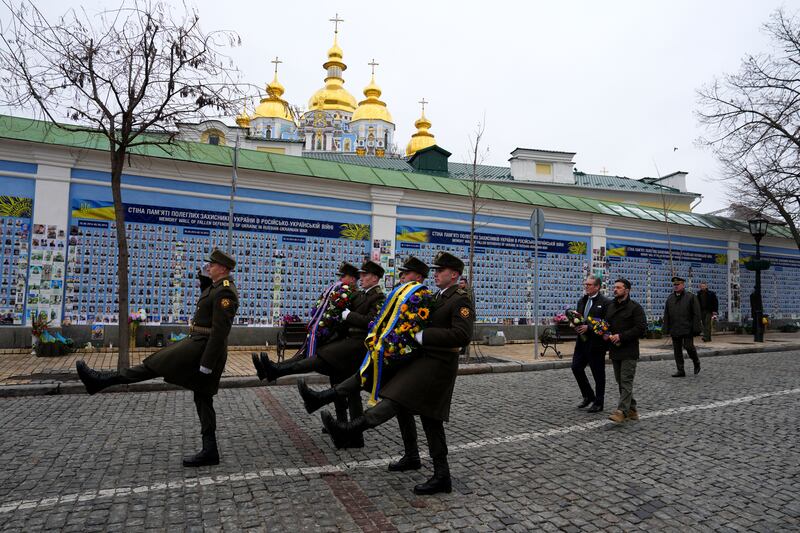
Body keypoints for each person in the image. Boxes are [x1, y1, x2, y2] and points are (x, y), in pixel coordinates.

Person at [296, 251, 473, 495]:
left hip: (439, 366)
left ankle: (349, 428)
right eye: (435, 270)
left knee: (399, 400)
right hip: (422, 360)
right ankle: (424, 464)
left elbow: (463, 336)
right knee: (420, 414)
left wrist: (423, 336)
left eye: (440, 270)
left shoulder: (460, 299)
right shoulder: (437, 296)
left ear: (453, 274)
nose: (436, 274)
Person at [75, 249, 239, 467]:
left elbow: (220, 332)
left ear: (224, 269)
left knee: (156, 364)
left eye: (213, 264)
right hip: (197, 344)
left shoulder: (226, 293)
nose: (209, 266)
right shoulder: (216, 287)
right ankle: (210, 450)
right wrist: (204, 278)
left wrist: (207, 364)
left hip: (204, 348)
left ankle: (103, 381)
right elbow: (206, 299)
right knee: (202, 397)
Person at [252, 260, 385, 446]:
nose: (360, 278)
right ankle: (351, 432)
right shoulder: (361, 294)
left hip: (357, 346)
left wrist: (349, 316)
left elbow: (372, 322)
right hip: (347, 343)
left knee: (320, 359)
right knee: (348, 388)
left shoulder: (378, 297)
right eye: (360, 275)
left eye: (365, 275)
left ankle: (275, 371)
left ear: (375, 278)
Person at [605, 278, 647, 424]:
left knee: (626, 380)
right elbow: (606, 324)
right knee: (620, 381)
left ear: (627, 290)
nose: (615, 290)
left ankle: (622, 411)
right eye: (614, 287)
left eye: (618, 287)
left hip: (629, 350)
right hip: (615, 350)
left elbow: (641, 328)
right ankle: (632, 410)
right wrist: (605, 333)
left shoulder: (635, 308)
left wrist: (621, 336)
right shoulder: (610, 306)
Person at [571, 275, 611, 413]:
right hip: (581, 342)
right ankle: (588, 396)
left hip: (596, 343)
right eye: (585, 284)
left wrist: (589, 327)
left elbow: (606, 323)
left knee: (598, 373)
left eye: (589, 284)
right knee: (576, 367)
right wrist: (575, 323)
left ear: (597, 287)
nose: (586, 286)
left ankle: (599, 402)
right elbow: (580, 318)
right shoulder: (582, 301)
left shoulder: (605, 302)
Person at [663, 276, 702, 377]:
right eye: (674, 285)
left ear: (683, 285)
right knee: (677, 350)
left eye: (678, 284)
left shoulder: (691, 297)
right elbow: (666, 314)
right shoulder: (670, 298)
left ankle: (696, 361)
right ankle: (680, 370)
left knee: (689, 347)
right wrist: (666, 328)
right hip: (675, 328)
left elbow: (696, 314)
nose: (675, 286)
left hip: (687, 328)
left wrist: (696, 328)